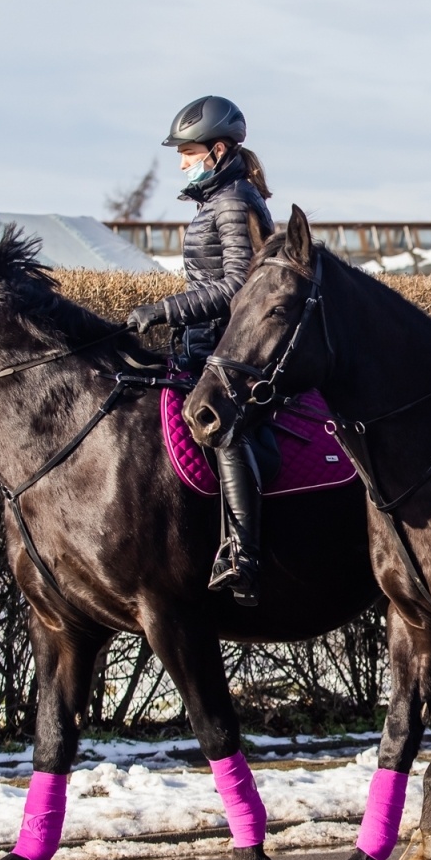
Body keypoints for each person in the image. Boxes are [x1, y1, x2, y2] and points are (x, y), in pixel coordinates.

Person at [126, 95, 276, 605]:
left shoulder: (233, 201)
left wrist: (166, 309)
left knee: (225, 428)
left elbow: (239, 284)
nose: (182, 162)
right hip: (203, 343)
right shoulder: (216, 200)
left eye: (187, 152)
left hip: (231, 348)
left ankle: (243, 554)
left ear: (216, 150)